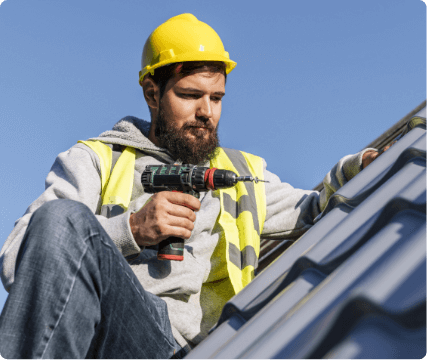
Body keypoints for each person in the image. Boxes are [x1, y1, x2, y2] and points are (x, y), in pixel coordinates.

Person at [0, 13, 383, 359]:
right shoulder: (98, 160)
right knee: (62, 217)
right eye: (190, 95)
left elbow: (316, 205)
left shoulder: (239, 173)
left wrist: (361, 166)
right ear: (152, 93)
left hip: (196, 350)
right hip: (106, 334)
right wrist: (131, 229)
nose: (207, 112)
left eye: (216, 98)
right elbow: (19, 259)